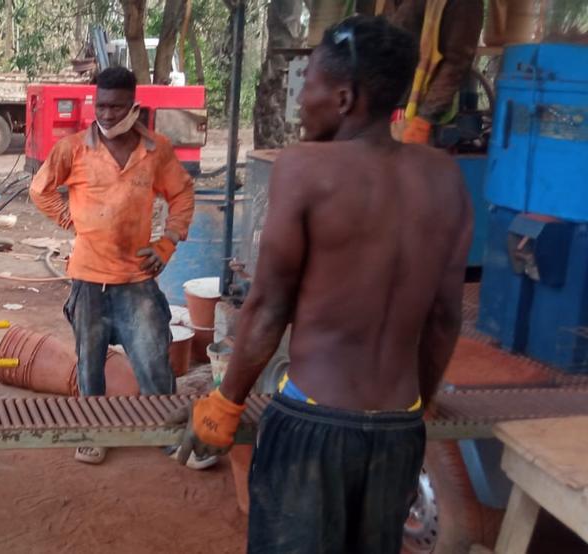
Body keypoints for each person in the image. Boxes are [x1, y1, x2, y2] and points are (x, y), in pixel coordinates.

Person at [171, 16, 471, 554]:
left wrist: (225, 404)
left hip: (316, 427)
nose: (299, 100)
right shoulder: (445, 176)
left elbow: (268, 306)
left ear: (344, 97)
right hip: (399, 432)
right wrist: (419, 405)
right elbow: (446, 315)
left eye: (307, 83)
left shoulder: (305, 168)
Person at [30, 66, 195, 465]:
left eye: (116, 106)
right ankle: (92, 431)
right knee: (89, 365)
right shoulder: (74, 149)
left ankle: (168, 433)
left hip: (136, 278)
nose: (106, 114)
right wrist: (73, 220)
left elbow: (182, 194)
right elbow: (41, 189)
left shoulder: (156, 150)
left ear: (133, 106)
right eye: (100, 105)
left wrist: (168, 242)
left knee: (154, 361)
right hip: (88, 280)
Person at [381, 0, 484, 144]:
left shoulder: (464, 4)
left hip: (418, 111)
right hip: (386, 105)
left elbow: (457, 62)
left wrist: (424, 120)